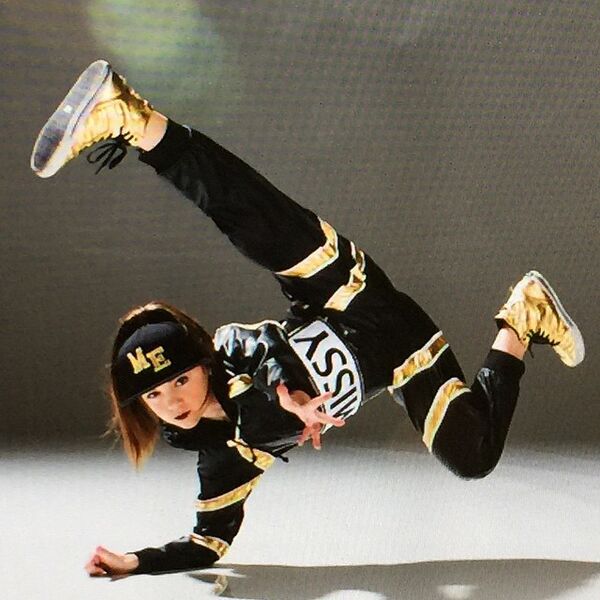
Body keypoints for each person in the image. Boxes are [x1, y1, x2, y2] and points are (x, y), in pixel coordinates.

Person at [31, 60, 585, 577]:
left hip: (344, 297)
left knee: (252, 221)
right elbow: (208, 543)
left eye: (179, 379)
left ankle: (132, 118)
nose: (173, 400)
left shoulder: (230, 351)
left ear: (201, 364)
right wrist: (134, 562)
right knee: (473, 457)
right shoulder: (225, 458)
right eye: (155, 395)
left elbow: (263, 351)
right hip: (405, 356)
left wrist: (285, 395)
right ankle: (523, 316)